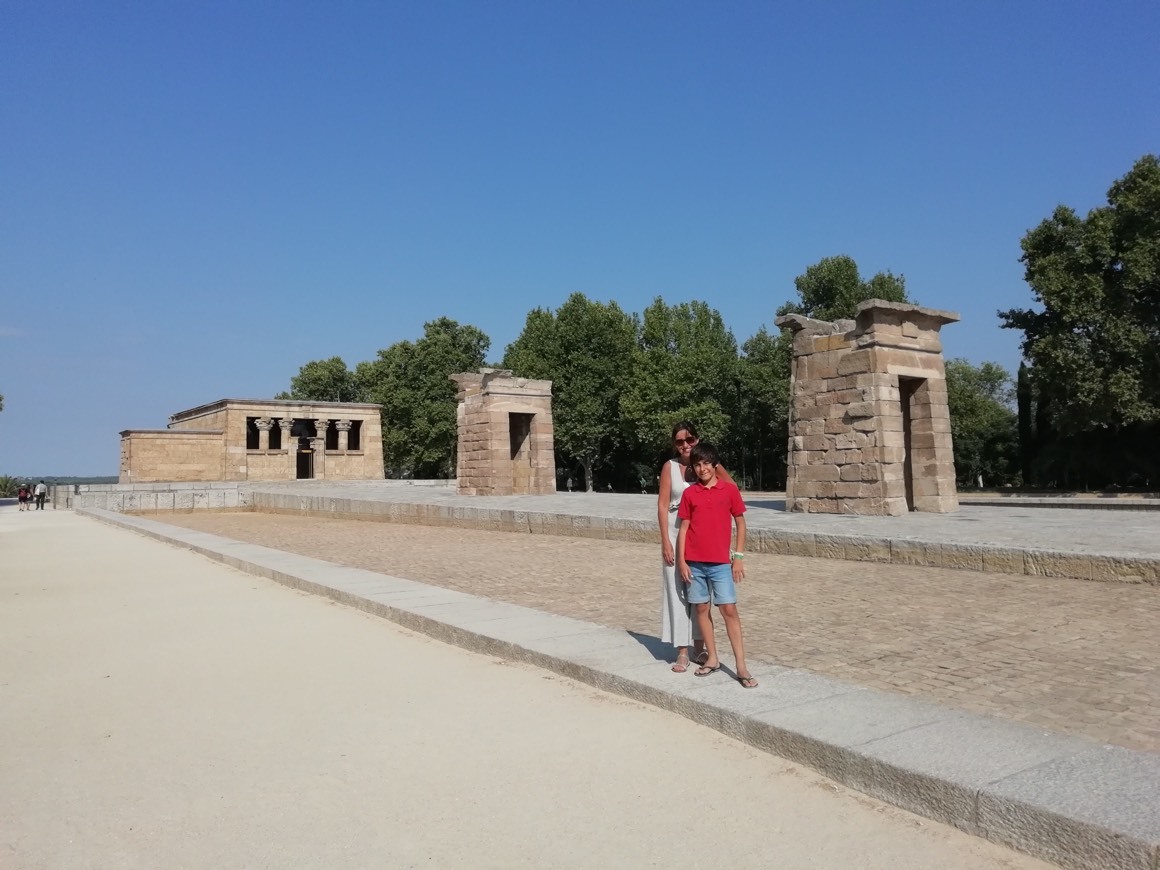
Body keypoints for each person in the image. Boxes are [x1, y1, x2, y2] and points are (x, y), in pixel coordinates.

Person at [676, 441, 757, 688]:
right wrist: (681, 560)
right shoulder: (690, 494)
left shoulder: (729, 490)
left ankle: (741, 665)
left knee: (729, 610)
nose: (702, 469)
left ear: (715, 465)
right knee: (701, 609)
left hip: (722, 563)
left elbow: (741, 524)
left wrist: (739, 558)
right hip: (695, 562)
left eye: (706, 464)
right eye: (697, 465)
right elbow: (684, 528)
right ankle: (712, 658)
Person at [657, 421, 734, 673]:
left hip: (701, 534)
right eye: (680, 442)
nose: (685, 445)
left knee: (700, 595)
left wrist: (711, 461)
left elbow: (731, 489)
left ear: (697, 439)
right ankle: (681, 649)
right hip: (675, 530)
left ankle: (700, 646)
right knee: (678, 592)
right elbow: (662, 504)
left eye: (690, 440)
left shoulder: (706, 465)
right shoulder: (670, 467)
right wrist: (665, 541)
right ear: (674, 445)